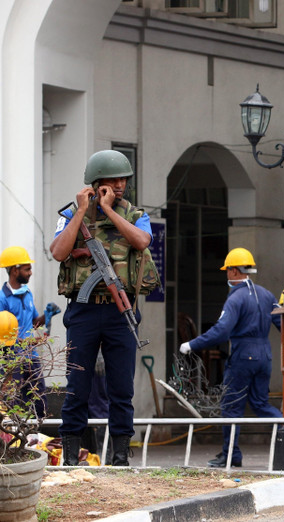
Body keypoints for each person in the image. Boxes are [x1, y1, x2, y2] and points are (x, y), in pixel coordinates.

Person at [50, 150, 156, 466]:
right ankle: (71, 456)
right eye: (113, 180)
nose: (120, 185)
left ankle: (120, 456)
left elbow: (142, 241)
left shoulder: (135, 215)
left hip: (119, 311)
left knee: (121, 388)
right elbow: (58, 252)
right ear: (97, 183)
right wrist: (83, 212)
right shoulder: (72, 214)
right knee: (77, 387)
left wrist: (110, 211)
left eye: (123, 179)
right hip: (82, 311)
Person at [178, 247, 283, 468]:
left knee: (231, 406)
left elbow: (221, 331)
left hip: (243, 356)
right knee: (260, 404)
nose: (226, 274)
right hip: (265, 355)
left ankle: (231, 455)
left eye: (227, 270)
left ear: (234, 271)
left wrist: (192, 344)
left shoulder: (235, 299)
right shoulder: (267, 295)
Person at [0, 246, 47, 418]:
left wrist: (46, 316)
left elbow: (34, 323)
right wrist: (25, 344)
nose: (30, 273)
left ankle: (35, 440)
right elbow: (2, 336)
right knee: (11, 404)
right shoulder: (2, 299)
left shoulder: (27, 294)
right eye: (27, 269)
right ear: (14, 270)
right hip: (12, 359)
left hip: (32, 357)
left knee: (40, 403)